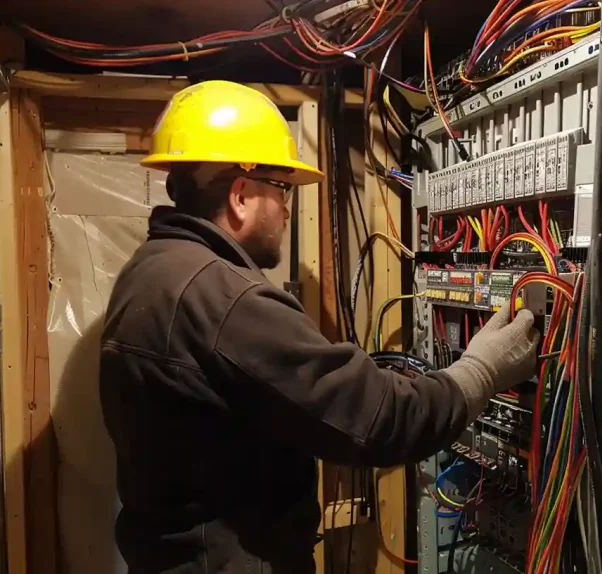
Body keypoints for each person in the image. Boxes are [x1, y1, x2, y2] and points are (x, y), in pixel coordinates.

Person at [99, 80, 540, 574]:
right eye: (282, 188)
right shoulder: (225, 299)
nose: (288, 209)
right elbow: (382, 421)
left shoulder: (151, 270)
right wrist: (481, 370)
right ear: (241, 194)